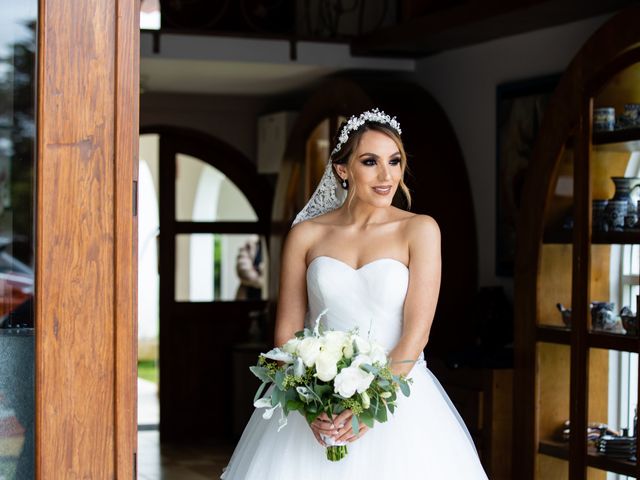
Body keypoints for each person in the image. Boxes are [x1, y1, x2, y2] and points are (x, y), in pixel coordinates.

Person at [221, 108, 489, 479]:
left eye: (394, 161)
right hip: (317, 407)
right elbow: (285, 336)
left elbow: (417, 333)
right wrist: (309, 407)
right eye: (370, 161)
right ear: (341, 169)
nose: (387, 175)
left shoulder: (420, 230)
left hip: (397, 401)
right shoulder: (306, 235)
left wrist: (370, 406)